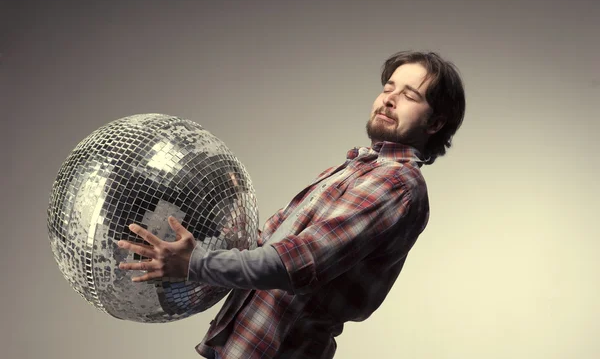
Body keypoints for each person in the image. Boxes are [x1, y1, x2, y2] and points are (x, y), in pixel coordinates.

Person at [118, 50, 466, 358]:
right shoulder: (349, 169)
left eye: (409, 95)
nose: (389, 100)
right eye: (388, 87)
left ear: (435, 122)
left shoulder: (396, 183)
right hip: (241, 346)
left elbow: (293, 262)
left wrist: (194, 263)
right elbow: (263, 244)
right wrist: (201, 227)